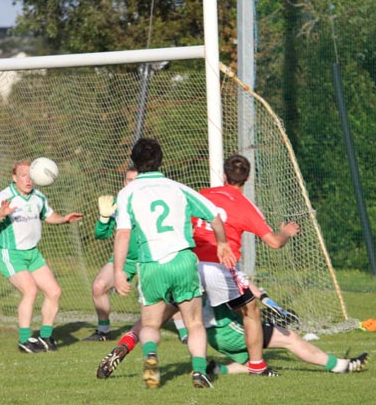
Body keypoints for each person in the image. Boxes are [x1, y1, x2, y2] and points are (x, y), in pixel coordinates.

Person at [113, 138, 236, 389]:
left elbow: (123, 234)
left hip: (151, 264)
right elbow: (214, 216)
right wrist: (222, 243)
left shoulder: (127, 193)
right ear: (161, 160)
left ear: (134, 162)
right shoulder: (178, 188)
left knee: (149, 324)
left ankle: (150, 355)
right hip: (182, 259)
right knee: (194, 323)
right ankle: (199, 372)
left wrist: (118, 272)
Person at [192, 154, 300, 376]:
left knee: (173, 313)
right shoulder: (245, 206)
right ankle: (257, 365)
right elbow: (274, 242)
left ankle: (135, 343)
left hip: (189, 264)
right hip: (218, 266)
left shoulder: (201, 195)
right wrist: (286, 233)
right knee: (251, 310)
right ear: (248, 178)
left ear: (223, 175)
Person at [0, 160, 83, 353]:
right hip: (10, 254)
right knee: (30, 290)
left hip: (33, 253)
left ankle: (45, 337)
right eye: (23, 175)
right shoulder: (5, 197)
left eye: (31, 175)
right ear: (14, 177)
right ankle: (24, 340)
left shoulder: (38, 197)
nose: (28, 180)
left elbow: (48, 215)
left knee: (54, 291)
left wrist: (63, 219)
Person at [203, 296, 369, 375]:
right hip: (228, 329)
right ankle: (340, 365)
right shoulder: (218, 263)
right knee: (289, 338)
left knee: (254, 363)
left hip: (215, 335)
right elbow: (239, 296)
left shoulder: (195, 268)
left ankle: (217, 370)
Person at [83, 167, 139, 341]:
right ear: (124, 182)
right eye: (129, 180)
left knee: (166, 294)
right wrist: (104, 218)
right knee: (98, 286)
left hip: (149, 258)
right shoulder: (117, 203)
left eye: (136, 180)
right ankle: (104, 331)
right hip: (124, 258)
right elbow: (101, 234)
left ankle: (184, 334)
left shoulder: (148, 201)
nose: (132, 184)